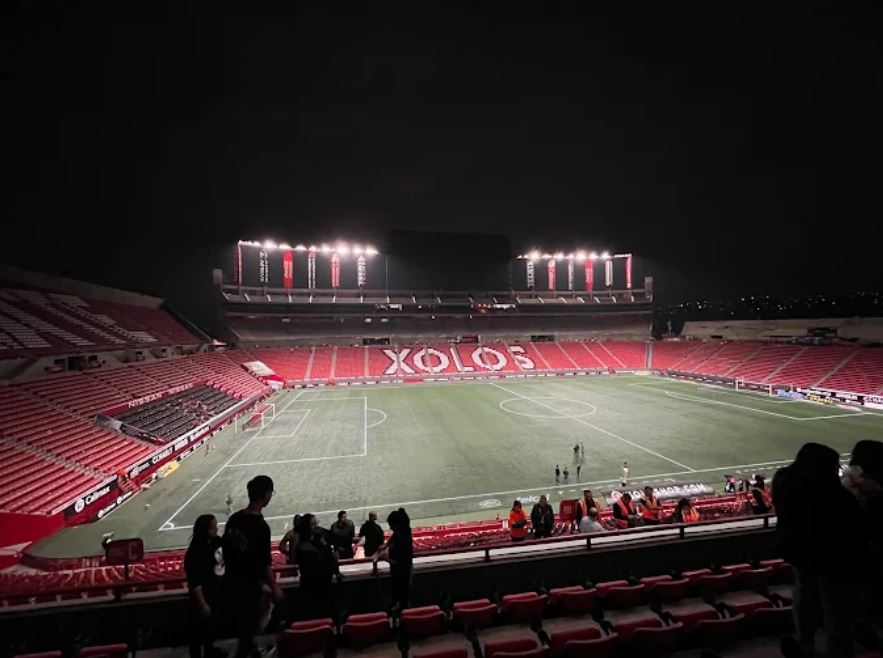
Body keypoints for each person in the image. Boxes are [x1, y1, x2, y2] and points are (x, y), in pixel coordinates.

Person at [773, 443, 868, 658]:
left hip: (799, 553)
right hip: (832, 558)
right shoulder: (828, 489)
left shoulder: (785, 481)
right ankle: (838, 649)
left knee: (804, 595)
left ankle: (804, 642)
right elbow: (853, 520)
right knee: (835, 608)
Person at [223, 475, 282, 658]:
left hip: (233, 581)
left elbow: (227, 550)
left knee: (244, 624)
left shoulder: (233, 519)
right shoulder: (261, 527)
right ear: (266, 495)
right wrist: (273, 587)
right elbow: (265, 563)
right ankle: (249, 652)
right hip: (251, 585)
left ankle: (248, 649)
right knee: (253, 622)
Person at [184, 514, 224, 658]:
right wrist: (202, 604)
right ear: (206, 530)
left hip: (214, 593)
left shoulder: (215, 542)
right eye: (214, 527)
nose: (217, 529)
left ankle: (210, 651)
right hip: (203, 597)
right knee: (198, 632)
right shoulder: (195, 552)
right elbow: (195, 582)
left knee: (210, 630)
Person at [295, 513, 340, 619]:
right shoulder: (304, 547)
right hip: (314, 587)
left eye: (316, 523)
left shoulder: (319, 535)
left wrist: (335, 567)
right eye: (313, 524)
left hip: (324, 584)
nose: (316, 526)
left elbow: (334, 541)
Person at [375, 508, 413, 612]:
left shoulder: (403, 541)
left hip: (402, 573)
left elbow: (400, 563)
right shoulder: (403, 530)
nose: (390, 527)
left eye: (392, 525)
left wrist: (386, 558)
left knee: (403, 599)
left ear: (397, 524)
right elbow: (394, 537)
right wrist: (385, 545)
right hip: (399, 571)